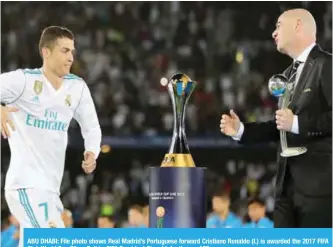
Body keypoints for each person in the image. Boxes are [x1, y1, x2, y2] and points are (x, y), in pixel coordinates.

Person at [220, 9, 332, 227]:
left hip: (321, 190)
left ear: (298, 25)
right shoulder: (289, 73)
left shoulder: (327, 64)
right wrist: (242, 130)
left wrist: (298, 124)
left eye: (279, 25)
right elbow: (281, 125)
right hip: (285, 188)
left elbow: (293, 123)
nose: (273, 33)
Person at [1, 26, 102, 240]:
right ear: (46, 52)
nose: (71, 57)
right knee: (55, 241)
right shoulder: (24, 81)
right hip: (26, 185)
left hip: (50, 190)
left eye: (72, 51)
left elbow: (91, 126)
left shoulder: (77, 87)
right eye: (64, 51)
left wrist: (92, 151)